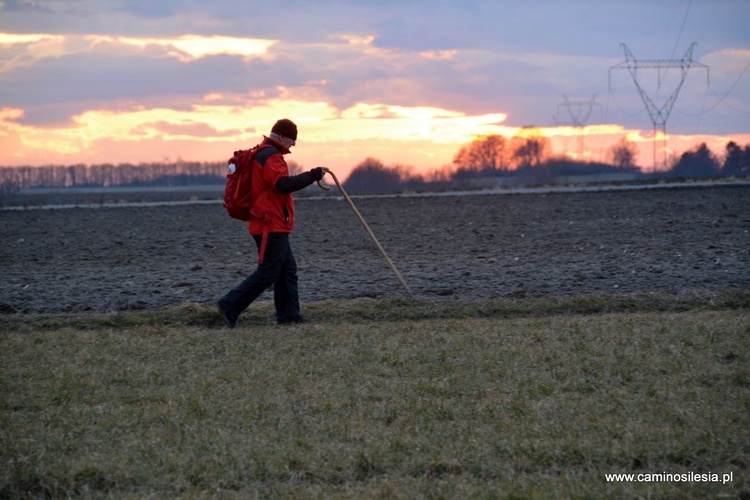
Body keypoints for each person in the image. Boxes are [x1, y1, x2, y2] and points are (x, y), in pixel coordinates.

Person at [217, 118, 326, 328]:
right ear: (282, 136)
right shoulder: (271, 156)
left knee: (286, 270)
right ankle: (229, 305)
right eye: (292, 140)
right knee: (268, 271)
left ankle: (289, 316)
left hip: (270, 222)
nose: (293, 145)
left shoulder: (261, 152)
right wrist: (312, 175)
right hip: (269, 223)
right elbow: (282, 185)